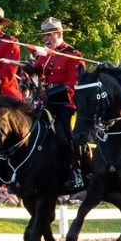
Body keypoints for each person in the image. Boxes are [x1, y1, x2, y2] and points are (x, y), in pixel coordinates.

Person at [26, 17, 85, 192]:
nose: (46, 38)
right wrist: (30, 68)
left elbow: (74, 83)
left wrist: (49, 94)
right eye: (44, 35)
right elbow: (39, 72)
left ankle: (75, 170)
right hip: (47, 101)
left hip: (66, 103)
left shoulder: (72, 54)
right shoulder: (46, 54)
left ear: (59, 34)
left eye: (49, 34)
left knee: (66, 133)